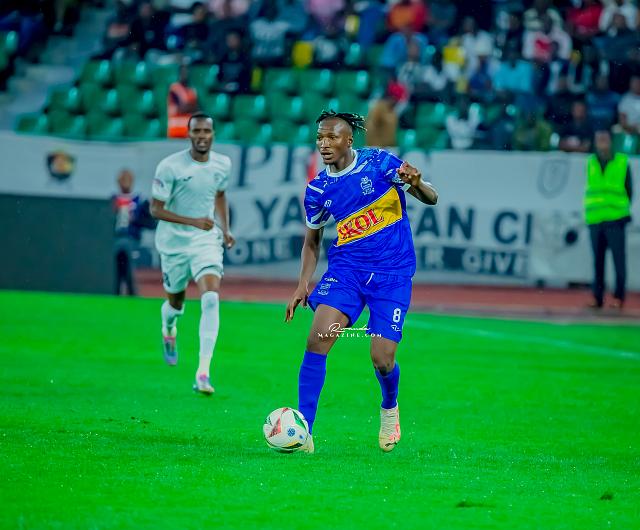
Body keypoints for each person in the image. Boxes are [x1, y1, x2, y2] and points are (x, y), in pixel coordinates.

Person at [285, 110, 438, 454]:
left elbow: (432, 198)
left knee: (382, 358)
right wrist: (302, 284)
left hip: (392, 273)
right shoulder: (318, 189)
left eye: (332, 137)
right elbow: (311, 242)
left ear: (349, 140)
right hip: (347, 271)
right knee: (317, 339)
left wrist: (416, 183)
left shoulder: (379, 163)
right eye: (320, 138)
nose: (324, 144)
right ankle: (304, 431)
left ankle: (389, 407)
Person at [150, 112, 235, 394]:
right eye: (196, 131)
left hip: (205, 240)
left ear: (213, 134)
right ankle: (168, 328)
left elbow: (220, 194)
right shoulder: (170, 166)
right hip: (173, 243)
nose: (201, 136)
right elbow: (155, 209)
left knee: (211, 298)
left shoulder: (223, 164)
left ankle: (203, 373)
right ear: (188, 134)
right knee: (175, 305)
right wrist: (193, 221)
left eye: (206, 131)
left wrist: (225, 229)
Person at [584, 129, 633, 309]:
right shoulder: (591, 162)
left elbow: (629, 191)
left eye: (604, 139)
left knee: (619, 260)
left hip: (615, 219)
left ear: (611, 141)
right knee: (598, 261)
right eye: (599, 139)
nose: (602, 143)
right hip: (595, 219)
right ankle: (597, 297)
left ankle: (619, 297)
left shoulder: (621, 162)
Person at [113, 169, 155, 296]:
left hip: (132, 239)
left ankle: (131, 291)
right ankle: (117, 290)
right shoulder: (113, 200)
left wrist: (136, 219)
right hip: (114, 239)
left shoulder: (139, 200)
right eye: (122, 180)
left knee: (127, 256)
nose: (125, 183)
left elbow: (150, 223)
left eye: (127, 180)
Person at [167, 63, 200, 138]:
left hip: (188, 128)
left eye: (186, 72)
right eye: (183, 72)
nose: (185, 75)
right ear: (179, 73)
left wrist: (190, 107)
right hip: (176, 128)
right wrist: (191, 107)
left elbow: (197, 109)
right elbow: (181, 108)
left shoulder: (191, 90)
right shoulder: (174, 88)